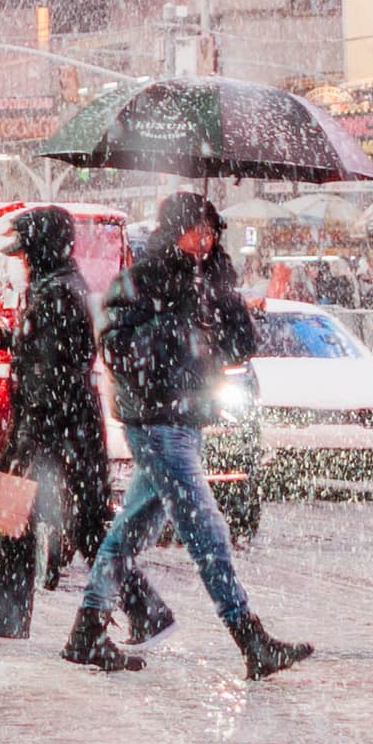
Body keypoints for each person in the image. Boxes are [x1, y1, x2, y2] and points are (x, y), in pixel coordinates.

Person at [67, 189, 310, 679]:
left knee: (130, 531)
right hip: (156, 421)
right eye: (198, 230)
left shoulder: (209, 281)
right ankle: (249, 638)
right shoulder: (142, 280)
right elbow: (116, 345)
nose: (206, 239)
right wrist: (179, 333)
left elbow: (240, 344)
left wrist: (224, 307)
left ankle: (87, 632)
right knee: (206, 530)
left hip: (187, 419)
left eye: (211, 231)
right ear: (176, 230)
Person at [0, 204, 136, 645]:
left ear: (40, 250)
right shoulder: (56, 288)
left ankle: (143, 609)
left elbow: (48, 374)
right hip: (61, 430)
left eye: (24, 252)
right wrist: (5, 334)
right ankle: (2, 620)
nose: (20, 261)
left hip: (54, 432)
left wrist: (25, 443)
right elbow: (45, 354)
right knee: (23, 525)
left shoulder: (55, 294)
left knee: (85, 529)